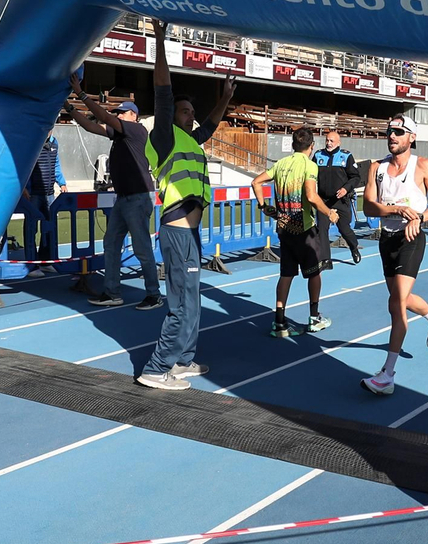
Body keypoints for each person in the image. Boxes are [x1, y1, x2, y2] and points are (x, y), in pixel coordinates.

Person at [136, 28, 236, 391]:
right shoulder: (163, 136)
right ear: (171, 116)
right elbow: (163, 92)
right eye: (184, 111)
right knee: (180, 305)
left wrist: (223, 98)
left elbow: (210, 123)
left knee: (194, 301)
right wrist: (160, 41)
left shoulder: (192, 139)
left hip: (191, 233)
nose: (191, 116)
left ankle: (181, 360)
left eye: (192, 112)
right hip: (177, 231)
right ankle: (156, 367)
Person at [359, 114, 428, 395]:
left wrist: (419, 218)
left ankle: (387, 374)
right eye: (389, 131)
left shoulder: (422, 166)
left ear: (412, 137)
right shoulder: (376, 168)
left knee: (396, 303)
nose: (392, 136)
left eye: (399, 132)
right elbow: (368, 208)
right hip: (387, 239)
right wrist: (397, 210)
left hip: (412, 238)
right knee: (401, 298)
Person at [66, 79, 164, 311]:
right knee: (111, 244)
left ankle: (153, 294)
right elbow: (91, 126)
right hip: (124, 198)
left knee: (142, 248)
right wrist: (68, 108)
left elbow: (105, 120)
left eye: (123, 113)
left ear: (134, 117)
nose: (118, 116)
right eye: (118, 113)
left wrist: (80, 95)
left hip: (137, 197)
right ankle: (112, 292)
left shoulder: (136, 130)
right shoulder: (121, 134)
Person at [253, 126, 337, 338]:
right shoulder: (309, 165)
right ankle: (314, 316)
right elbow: (311, 195)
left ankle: (279, 322)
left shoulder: (281, 164)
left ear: (292, 145)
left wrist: (264, 207)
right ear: (311, 146)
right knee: (315, 272)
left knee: (286, 274)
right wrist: (329, 213)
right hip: (304, 229)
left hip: (284, 228)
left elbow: (256, 182)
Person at [311, 128, 363, 265]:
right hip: (323, 200)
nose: (328, 143)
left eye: (331, 141)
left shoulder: (346, 156)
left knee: (344, 229)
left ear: (338, 143)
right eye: (327, 140)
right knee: (322, 229)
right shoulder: (318, 155)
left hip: (341, 200)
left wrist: (346, 189)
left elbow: (356, 177)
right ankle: (325, 259)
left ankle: (354, 247)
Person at [22, 129, 67, 275]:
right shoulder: (32, 142)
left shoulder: (54, 143)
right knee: (31, 229)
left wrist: (62, 183)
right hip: (33, 194)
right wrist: (24, 187)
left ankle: (46, 261)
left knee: (49, 229)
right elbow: (24, 165)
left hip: (49, 194)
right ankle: (31, 265)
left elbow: (56, 164)